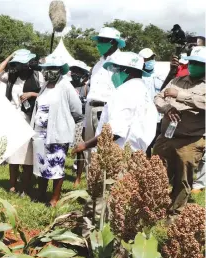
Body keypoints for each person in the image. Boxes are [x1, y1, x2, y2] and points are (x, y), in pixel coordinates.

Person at [153, 46, 206, 213]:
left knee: (183, 179)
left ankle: (175, 214)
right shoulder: (177, 80)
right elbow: (158, 97)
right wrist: (167, 108)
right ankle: (154, 208)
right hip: (166, 136)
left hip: (190, 139)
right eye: (191, 62)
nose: (193, 65)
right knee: (156, 173)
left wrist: (180, 96)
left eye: (198, 63)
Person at [74, 52, 158, 155]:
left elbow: (115, 131)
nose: (113, 75)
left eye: (115, 70)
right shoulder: (144, 92)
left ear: (127, 71)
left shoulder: (125, 91)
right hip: (136, 153)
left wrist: (86, 145)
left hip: (117, 154)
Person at [31, 54, 83, 206]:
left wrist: (65, 122)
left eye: (53, 68)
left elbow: (77, 110)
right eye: (47, 69)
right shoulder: (44, 85)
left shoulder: (66, 86)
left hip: (58, 132)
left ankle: (54, 198)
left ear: (60, 70)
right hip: (40, 132)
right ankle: (41, 193)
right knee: (41, 164)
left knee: (56, 164)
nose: (49, 72)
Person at [0, 49, 45, 196]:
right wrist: (10, 56)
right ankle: (12, 185)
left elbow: (45, 92)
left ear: (28, 64)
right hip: (13, 118)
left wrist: (31, 94)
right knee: (14, 153)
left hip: (30, 118)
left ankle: (25, 185)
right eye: (18, 63)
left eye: (23, 63)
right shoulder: (12, 76)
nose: (20, 66)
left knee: (27, 154)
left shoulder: (38, 76)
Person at [84, 27, 125, 163]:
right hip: (90, 108)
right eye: (98, 40)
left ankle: (105, 183)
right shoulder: (98, 63)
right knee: (89, 151)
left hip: (105, 109)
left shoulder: (121, 61)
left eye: (103, 41)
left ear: (113, 42)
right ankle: (92, 182)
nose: (99, 44)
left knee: (104, 149)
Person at [139, 48, 165, 158]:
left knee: (159, 148)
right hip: (143, 118)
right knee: (145, 148)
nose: (149, 60)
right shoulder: (138, 76)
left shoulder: (161, 74)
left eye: (151, 58)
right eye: (146, 59)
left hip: (159, 118)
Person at [69, 60, 90, 186]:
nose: (75, 74)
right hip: (66, 120)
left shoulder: (86, 88)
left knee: (80, 149)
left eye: (78, 71)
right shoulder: (67, 85)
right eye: (74, 71)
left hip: (80, 122)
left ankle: (78, 177)